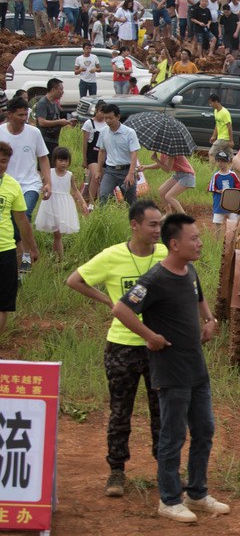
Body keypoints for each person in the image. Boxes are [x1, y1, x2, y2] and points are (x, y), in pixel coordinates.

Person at [113, 213, 227, 524]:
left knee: (204, 430)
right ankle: (169, 499)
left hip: (196, 368)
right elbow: (121, 308)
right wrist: (149, 336)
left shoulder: (189, 270)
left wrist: (209, 320)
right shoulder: (154, 280)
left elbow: (199, 297)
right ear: (174, 244)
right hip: (171, 371)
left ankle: (197, 493)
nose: (200, 243)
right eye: (194, 239)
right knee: (173, 435)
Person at [66, 200, 165, 497]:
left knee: (162, 412)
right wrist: (108, 301)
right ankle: (117, 472)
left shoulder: (165, 255)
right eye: (152, 224)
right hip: (122, 347)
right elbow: (75, 280)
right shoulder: (112, 257)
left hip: (159, 347)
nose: (158, 230)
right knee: (120, 412)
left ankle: (166, 471)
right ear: (135, 225)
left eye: (160, 224)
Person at [0, 97, 51, 273]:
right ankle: (21, 258)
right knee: (11, 221)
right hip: (7, 185)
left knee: (24, 214)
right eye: (20, 115)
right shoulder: (1, 132)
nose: (24, 118)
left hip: (30, 184)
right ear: (9, 114)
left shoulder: (34, 133)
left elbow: (43, 158)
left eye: (26, 114)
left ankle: (27, 256)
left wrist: (48, 182)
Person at [0, 142, 37, 333]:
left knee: (4, 303)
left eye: (4, 162)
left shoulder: (12, 185)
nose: (0, 165)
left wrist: (32, 248)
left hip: (5, 250)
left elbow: (22, 221)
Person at [35, 147, 87, 260]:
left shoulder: (69, 175)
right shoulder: (50, 172)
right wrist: (43, 191)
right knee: (56, 234)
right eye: (60, 160)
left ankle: (58, 258)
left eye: (66, 161)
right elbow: (42, 185)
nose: (63, 163)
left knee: (57, 234)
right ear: (54, 160)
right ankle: (57, 259)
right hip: (51, 204)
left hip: (63, 205)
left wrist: (83, 203)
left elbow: (75, 190)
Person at [33, 78, 75, 153]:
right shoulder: (42, 103)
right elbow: (41, 122)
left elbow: (55, 121)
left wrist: (67, 122)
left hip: (54, 140)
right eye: (60, 89)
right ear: (53, 90)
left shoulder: (55, 103)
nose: (62, 92)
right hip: (45, 140)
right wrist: (60, 122)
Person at [209, 151, 240, 225]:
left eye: (223, 161)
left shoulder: (232, 175)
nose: (220, 163)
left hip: (232, 204)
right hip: (219, 203)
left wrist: (231, 192)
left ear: (227, 162)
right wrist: (218, 191)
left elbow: (238, 187)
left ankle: (231, 236)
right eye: (218, 161)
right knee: (217, 223)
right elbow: (211, 188)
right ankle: (217, 236)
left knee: (233, 223)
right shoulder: (216, 175)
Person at [208, 93, 233, 163]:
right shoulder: (216, 111)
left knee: (211, 153)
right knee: (230, 158)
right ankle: (231, 171)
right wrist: (214, 136)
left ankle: (212, 171)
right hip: (221, 138)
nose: (210, 105)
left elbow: (229, 127)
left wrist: (231, 141)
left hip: (224, 138)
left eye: (211, 103)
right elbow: (217, 124)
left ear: (216, 102)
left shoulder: (225, 113)